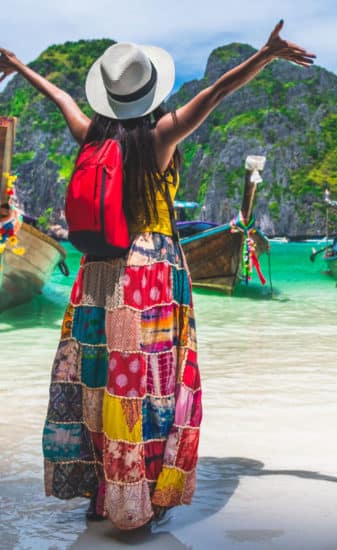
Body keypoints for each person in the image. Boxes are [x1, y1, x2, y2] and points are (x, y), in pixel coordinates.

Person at [0, 21, 314, 530]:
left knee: (100, 383)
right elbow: (216, 91)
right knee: (148, 387)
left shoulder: (90, 135)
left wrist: (17, 66)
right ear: (148, 95)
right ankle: (138, 503)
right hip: (149, 274)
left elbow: (59, 96)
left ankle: (104, 495)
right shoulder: (159, 137)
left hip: (96, 275)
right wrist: (265, 55)